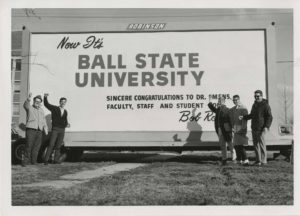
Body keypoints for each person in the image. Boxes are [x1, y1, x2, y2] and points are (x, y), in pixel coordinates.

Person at [241, 90, 273, 166]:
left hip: (261, 128)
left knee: (262, 145)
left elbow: (270, 117)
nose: (256, 97)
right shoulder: (254, 105)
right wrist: (244, 117)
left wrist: (266, 126)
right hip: (254, 128)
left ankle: (264, 161)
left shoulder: (265, 105)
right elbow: (252, 115)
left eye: (258, 96)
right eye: (255, 96)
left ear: (261, 96)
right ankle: (258, 160)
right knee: (255, 145)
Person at [208, 96, 236, 165]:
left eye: (220, 101)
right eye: (219, 101)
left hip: (227, 130)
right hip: (220, 129)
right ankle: (224, 159)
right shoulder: (218, 109)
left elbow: (231, 120)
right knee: (222, 145)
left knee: (231, 145)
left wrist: (232, 128)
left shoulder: (227, 110)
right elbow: (213, 109)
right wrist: (210, 103)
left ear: (224, 102)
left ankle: (234, 159)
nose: (219, 102)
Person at [43, 93, 70, 165]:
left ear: (65, 103)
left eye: (64, 102)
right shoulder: (55, 108)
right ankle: (46, 160)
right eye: (62, 101)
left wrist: (66, 124)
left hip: (62, 130)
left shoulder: (65, 111)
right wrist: (45, 97)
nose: (63, 103)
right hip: (55, 129)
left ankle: (56, 160)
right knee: (51, 144)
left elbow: (65, 120)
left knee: (58, 146)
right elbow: (46, 104)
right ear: (60, 102)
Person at [23, 93, 48, 166]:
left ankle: (33, 162)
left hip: (39, 131)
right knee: (28, 146)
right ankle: (25, 162)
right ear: (33, 101)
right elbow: (25, 105)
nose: (37, 103)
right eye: (36, 101)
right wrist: (28, 99)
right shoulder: (30, 107)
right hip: (31, 130)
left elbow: (44, 120)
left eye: (39, 102)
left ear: (40, 103)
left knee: (36, 147)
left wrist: (45, 128)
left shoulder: (41, 110)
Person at [229, 95, 249, 166]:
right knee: (236, 145)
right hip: (235, 128)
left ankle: (245, 159)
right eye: (234, 100)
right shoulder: (234, 108)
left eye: (236, 100)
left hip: (241, 128)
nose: (235, 101)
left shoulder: (243, 108)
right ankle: (239, 160)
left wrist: (242, 128)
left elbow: (245, 119)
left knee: (240, 145)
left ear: (239, 99)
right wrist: (232, 127)